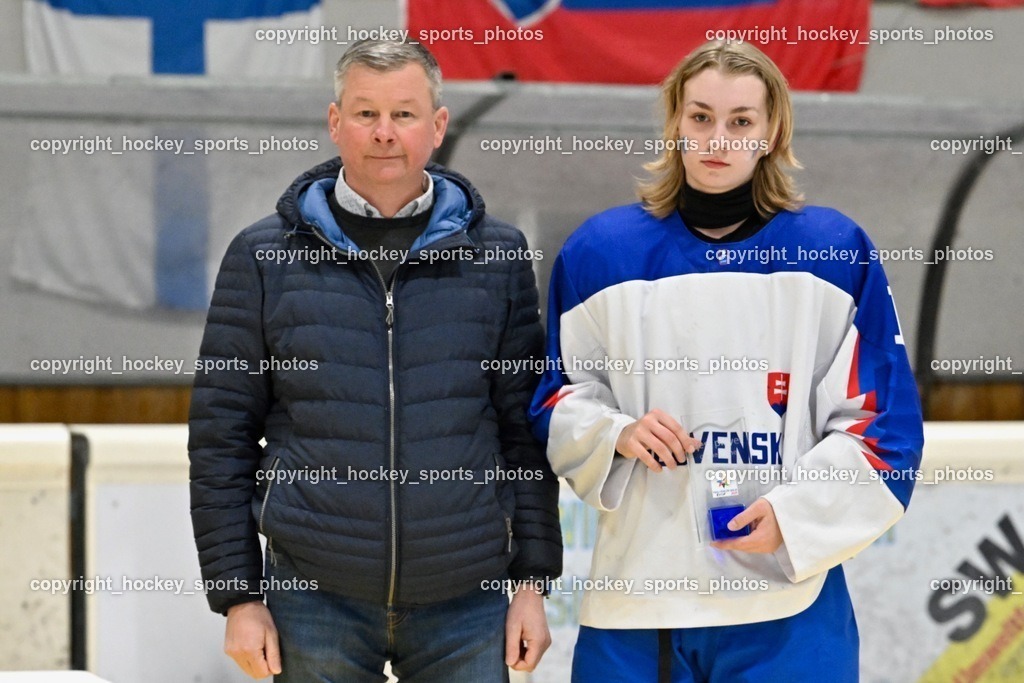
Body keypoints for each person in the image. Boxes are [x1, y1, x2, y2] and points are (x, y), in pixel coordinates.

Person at [529, 40, 923, 682]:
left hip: (787, 605)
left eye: (741, 121)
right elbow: (554, 400)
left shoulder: (833, 251)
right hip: (638, 605)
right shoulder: (600, 253)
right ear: (675, 126)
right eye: (701, 117)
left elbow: (884, 429)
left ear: (770, 134)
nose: (719, 138)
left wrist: (795, 518)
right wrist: (616, 433)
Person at [189, 39, 562, 682]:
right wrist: (240, 597)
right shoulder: (261, 256)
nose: (384, 134)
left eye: (405, 114)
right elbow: (220, 438)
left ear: (438, 127)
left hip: (466, 600)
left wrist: (531, 582)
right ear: (336, 122)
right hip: (313, 596)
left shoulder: (499, 255)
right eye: (365, 114)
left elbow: (522, 435)